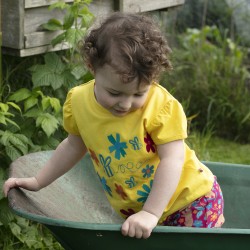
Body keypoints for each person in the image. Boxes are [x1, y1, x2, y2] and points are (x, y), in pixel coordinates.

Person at [3, 12, 224, 239]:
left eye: (139, 93)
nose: (126, 104)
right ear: (92, 66)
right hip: (143, 212)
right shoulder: (79, 103)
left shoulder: (160, 106)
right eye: (114, 92)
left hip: (191, 202)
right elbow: (72, 146)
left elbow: (173, 159)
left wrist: (150, 212)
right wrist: (39, 181)